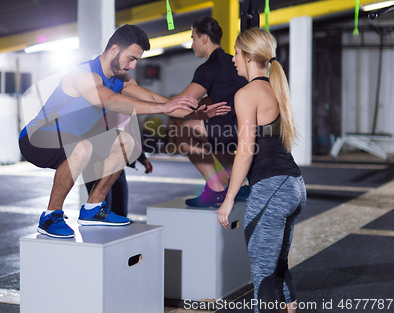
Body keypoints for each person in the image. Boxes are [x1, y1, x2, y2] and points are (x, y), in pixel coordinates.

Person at [19, 24, 228, 238]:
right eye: (131, 58)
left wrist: (195, 113)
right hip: (37, 138)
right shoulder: (83, 74)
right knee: (81, 147)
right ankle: (50, 216)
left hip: (76, 142)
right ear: (114, 50)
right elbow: (109, 100)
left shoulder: (121, 79)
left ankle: (93, 209)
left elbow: (157, 99)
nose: (133, 65)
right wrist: (163, 108)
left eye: (137, 60)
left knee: (126, 142)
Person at [216, 27, 306, 313]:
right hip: (294, 186)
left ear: (247, 56)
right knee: (278, 266)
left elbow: (246, 150)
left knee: (263, 276)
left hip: (271, 190)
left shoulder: (246, 93)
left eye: (236, 52)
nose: (232, 59)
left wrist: (228, 199)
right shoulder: (276, 87)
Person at [174, 16, 248, 207]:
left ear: (204, 39)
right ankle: (236, 185)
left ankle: (215, 191)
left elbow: (182, 104)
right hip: (248, 126)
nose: (192, 45)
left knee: (185, 130)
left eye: (193, 39)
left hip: (232, 128)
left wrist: (154, 103)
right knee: (212, 132)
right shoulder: (233, 61)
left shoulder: (209, 67)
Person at [85, 150, 152, 217]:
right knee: (102, 214)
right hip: (99, 166)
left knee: (120, 214)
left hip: (118, 166)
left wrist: (142, 157)